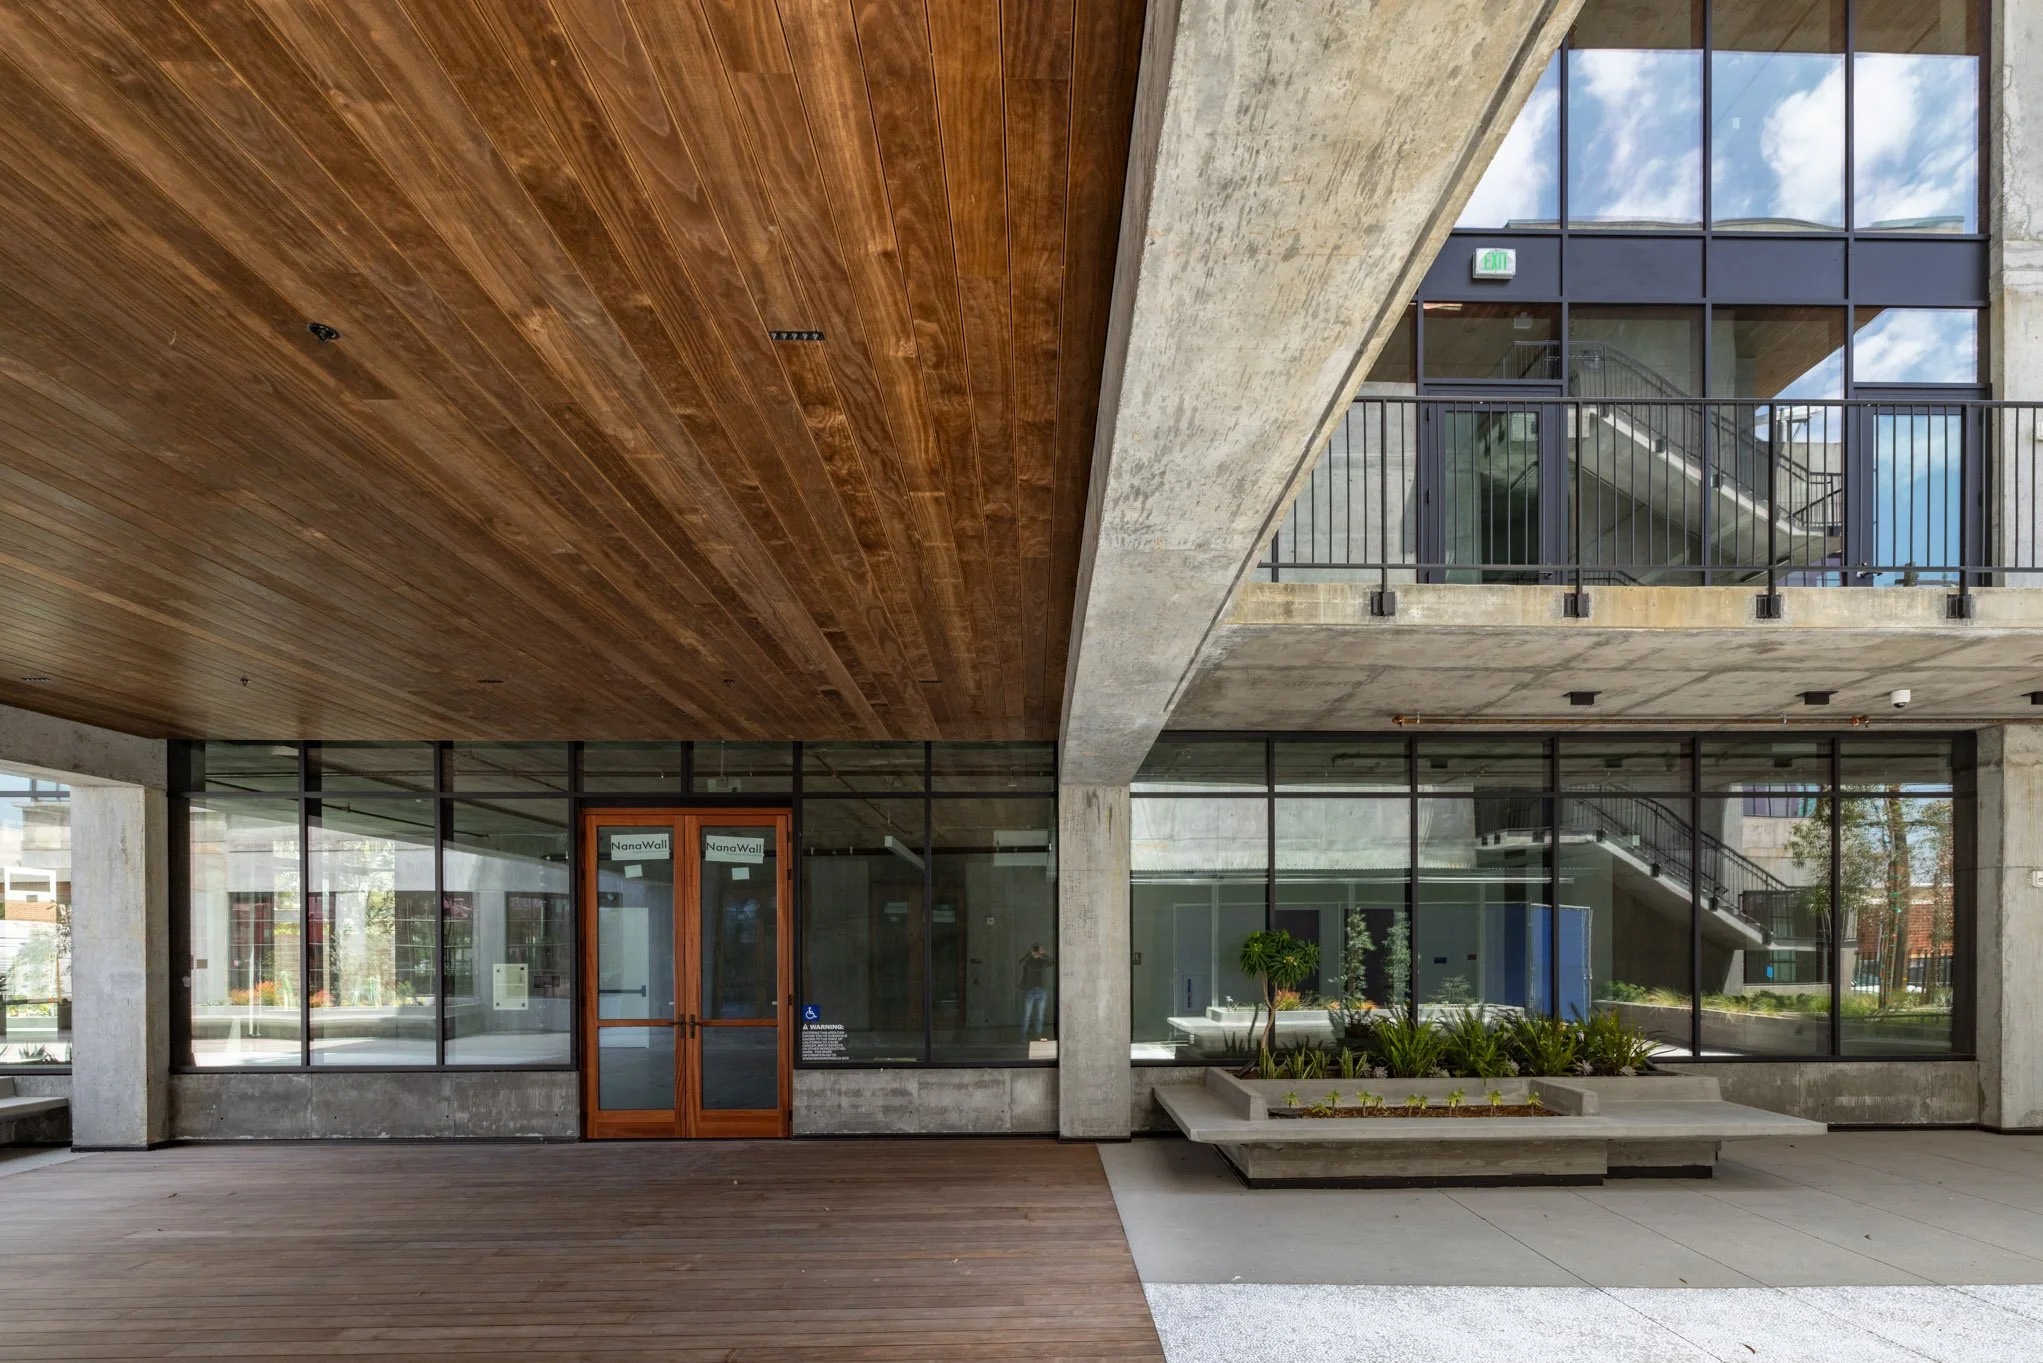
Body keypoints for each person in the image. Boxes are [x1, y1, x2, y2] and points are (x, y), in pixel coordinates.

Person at [1018, 943, 1053, 1041]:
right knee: (1026, 1015)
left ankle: (1038, 1035)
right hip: (1029, 991)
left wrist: (1043, 954)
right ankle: (1023, 1036)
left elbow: (1052, 962)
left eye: (1038, 950)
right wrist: (1029, 954)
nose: (1036, 952)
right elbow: (1020, 962)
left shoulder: (1043, 961)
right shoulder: (1028, 961)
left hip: (1041, 991)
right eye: (1035, 950)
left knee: (1040, 1015)